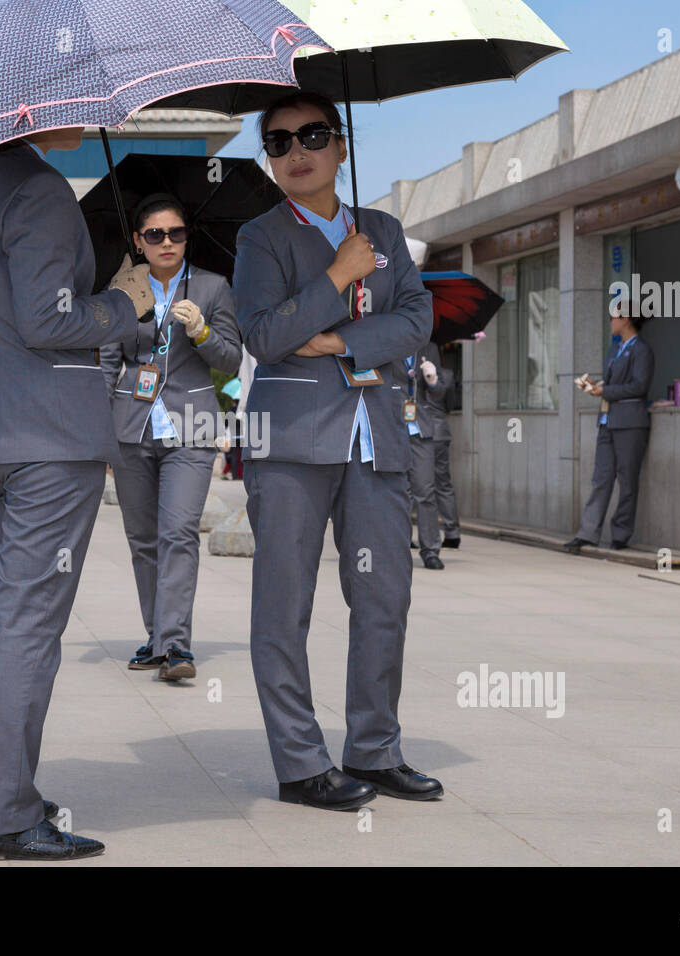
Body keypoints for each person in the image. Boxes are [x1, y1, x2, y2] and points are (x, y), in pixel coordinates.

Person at [0, 128, 159, 861]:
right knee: (27, 624)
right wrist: (126, 302)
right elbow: (49, 320)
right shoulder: (39, 190)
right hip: (49, 437)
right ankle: (3, 814)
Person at [233, 90, 443, 813]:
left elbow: (418, 318)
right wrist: (337, 278)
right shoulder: (260, 237)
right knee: (284, 605)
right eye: (279, 141)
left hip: (377, 438)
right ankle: (300, 764)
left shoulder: (382, 226)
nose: (296, 152)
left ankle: (374, 749)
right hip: (290, 443)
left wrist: (341, 340)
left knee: (385, 597)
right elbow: (262, 334)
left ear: (341, 145)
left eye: (312, 135)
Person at [100, 194, 243, 681]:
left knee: (178, 532)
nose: (167, 242)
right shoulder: (123, 288)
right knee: (143, 539)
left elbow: (230, 359)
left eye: (176, 233)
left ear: (187, 237)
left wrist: (202, 331)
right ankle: (157, 637)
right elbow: (107, 360)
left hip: (192, 426)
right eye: (155, 234)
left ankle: (176, 645)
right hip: (131, 425)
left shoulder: (212, 286)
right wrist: (99, 428)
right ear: (139, 241)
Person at [565, 310, 655, 552]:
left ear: (625, 319)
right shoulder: (615, 349)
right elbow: (614, 382)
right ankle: (587, 533)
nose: (610, 321)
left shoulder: (641, 350)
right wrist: (598, 385)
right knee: (600, 479)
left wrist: (606, 392)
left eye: (613, 316)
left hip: (629, 422)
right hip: (607, 420)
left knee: (627, 480)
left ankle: (621, 534)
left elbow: (639, 386)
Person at [405, 348, 461, 570]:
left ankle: (430, 551)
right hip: (390, 428)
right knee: (394, 494)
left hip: (421, 431)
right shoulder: (387, 347)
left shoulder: (427, 349)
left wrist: (432, 379)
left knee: (425, 492)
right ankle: (396, 547)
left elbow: (439, 397)